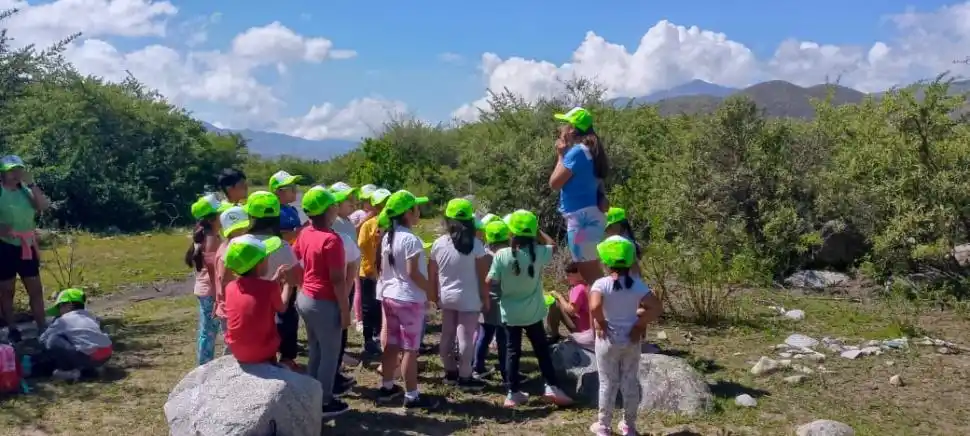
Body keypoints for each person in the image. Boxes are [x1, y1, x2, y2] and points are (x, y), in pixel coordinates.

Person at [487, 210, 573, 407]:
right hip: (534, 311)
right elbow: (553, 246)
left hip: (509, 311)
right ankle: (551, 386)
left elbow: (490, 280)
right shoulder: (539, 253)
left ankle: (512, 391)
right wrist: (539, 231)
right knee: (541, 349)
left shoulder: (501, 254)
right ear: (533, 232)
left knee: (512, 351)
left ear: (511, 232)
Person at [588, 236, 663, 436]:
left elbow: (594, 306)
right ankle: (629, 426)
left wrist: (601, 322)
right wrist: (640, 324)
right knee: (629, 381)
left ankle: (603, 426)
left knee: (607, 382)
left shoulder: (601, 283)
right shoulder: (637, 284)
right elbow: (656, 307)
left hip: (607, 338)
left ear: (605, 261)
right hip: (631, 338)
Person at [292, 186, 351, 418]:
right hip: (324, 302)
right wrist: (345, 310)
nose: (337, 207)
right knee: (330, 353)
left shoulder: (305, 232)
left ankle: (311, 395)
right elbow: (337, 280)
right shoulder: (331, 240)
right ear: (328, 211)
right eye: (334, 204)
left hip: (306, 298)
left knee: (315, 349)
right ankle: (324, 402)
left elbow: (297, 259)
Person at [375, 190, 437, 409]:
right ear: (408, 213)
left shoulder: (388, 237)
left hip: (389, 296)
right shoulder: (411, 240)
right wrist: (431, 292)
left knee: (391, 344)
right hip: (409, 299)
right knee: (410, 348)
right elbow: (413, 273)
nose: (418, 211)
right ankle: (412, 395)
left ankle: (387, 386)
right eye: (416, 208)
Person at [429, 198, 489, 391]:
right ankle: (465, 376)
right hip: (469, 298)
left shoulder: (438, 244)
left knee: (446, 335)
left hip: (447, 297)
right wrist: (485, 297)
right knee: (465, 338)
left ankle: (450, 372)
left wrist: (434, 296)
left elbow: (433, 273)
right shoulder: (476, 245)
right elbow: (482, 275)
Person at [548, 107, 610, 285]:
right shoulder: (592, 151)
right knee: (592, 270)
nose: (563, 128)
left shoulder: (577, 152)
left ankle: (609, 310)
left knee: (592, 277)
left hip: (581, 221)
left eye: (566, 125)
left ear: (573, 129)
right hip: (590, 219)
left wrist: (560, 155)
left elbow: (554, 183)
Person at [244, 191, 304, 372]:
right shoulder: (281, 246)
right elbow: (296, 278)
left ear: (251, 215)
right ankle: (284, 361)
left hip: (245, 303)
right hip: (273, 303)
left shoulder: (240, 243)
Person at [0, 155, 51, 343]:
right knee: (7, 290)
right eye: (11, 170)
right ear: (3, 173)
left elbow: (43, 206)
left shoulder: (25, 191)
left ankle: (42, 327)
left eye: (18, 169)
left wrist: (32, 185)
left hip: (26, 245)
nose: (16, 174)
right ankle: (12, 328)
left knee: (35, 289)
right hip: (5, 246)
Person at [222, 234, 290, 365]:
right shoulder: (269, 288)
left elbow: (255, 292)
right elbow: (282, 307)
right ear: (258, 264)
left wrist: (275, 280)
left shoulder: (230, 287)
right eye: (266, 256)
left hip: (237, 351)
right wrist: (288, 286)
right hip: (263, 351)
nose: (269, 258)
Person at [186, 194, 230, 365]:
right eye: (220, 214)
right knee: (209, 331)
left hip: (205, 289)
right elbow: (213, 269)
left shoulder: (208, 235)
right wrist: (219, 294)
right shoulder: (211, 238)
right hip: (210, 291)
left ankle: (204, 362)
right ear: (213, 218)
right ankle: (204, 364)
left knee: (208, 329)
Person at [34, 289, 112, 381]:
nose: (59, 312)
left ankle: (70, 372)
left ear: (68, 305)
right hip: (106, 354)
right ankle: (95, 367)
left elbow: (42, 340)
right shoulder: (91, 316)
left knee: (53, 339)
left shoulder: (63, 320)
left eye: (60, 307)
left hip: (87, 357)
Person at [329, 182, 362, 374]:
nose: (353, 202)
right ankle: (337, 358)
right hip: (341, 278)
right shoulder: (336, 224)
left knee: (344, 315)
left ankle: (341, 353)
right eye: (348, 199)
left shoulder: (347, 221)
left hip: (349, 276)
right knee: (338, 317)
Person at [473, 220, 510, 382]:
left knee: (484, 334)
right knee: (503, 338)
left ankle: (477, 367)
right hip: (503, 301)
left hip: (485, 298)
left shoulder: (484, 254)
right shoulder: (507, 256)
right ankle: (505, 370)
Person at [357, 188, 391, 357]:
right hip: (369, 273)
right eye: (384, 202)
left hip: (386, 274)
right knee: (368, 307)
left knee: (381, 306)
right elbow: (362, 248)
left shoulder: (391, 223)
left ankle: (381, 336)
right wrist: (370, 269)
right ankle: (368, 339)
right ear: (377, 206)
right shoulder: (368, 225)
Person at [214, 206, 251, 354]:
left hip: (226, 306)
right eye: (241, 228)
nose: (244, 231)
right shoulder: (229, 252)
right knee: (234, 347)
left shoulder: (226, 246)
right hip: (231, 308)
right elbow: (225, 281)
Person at [545, 263, 594, 350]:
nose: (567, 278)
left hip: (582, 329)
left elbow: (572, 310)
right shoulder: (588, 285)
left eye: (569, 276)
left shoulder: (578, 288)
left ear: (578, 274)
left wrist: (559, 297)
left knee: (556, 303)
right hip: (589, 327)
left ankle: (552, 335)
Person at [604, 207, 644, 276]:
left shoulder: (620, 243)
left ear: (618, 225)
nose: (606, 230)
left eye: (609, 227)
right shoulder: (630, 240)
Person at [268, 170, 306, 243]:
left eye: (295, 186)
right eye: (292, 188)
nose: (295, 191)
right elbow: (279, 238)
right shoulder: (274, 212)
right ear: (279, 191)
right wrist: (304, 229)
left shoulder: (291, 209)